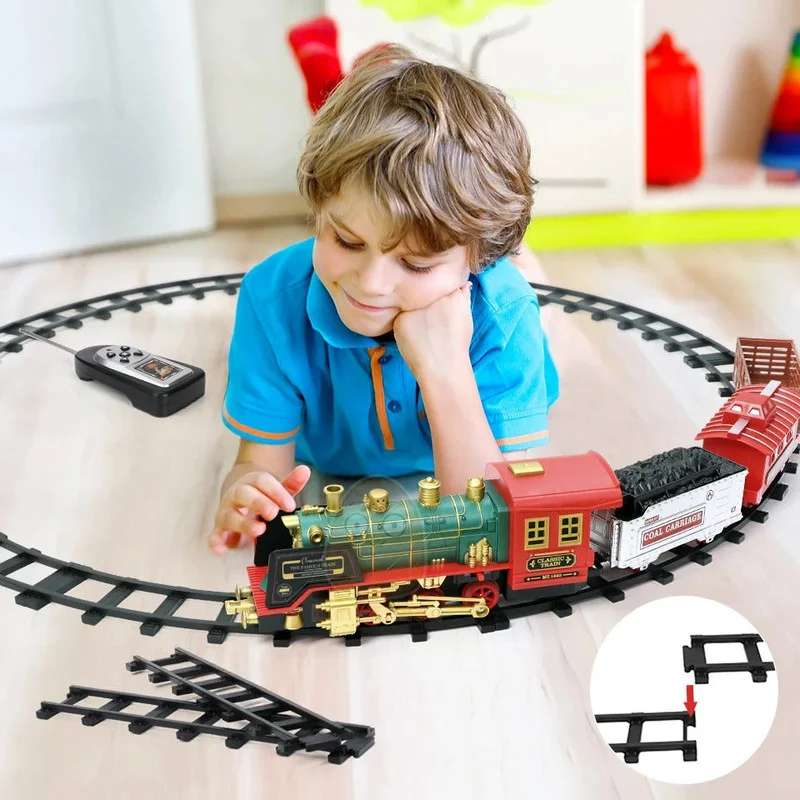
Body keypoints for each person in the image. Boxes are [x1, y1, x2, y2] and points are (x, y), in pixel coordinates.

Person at [208, 43, 559, 555]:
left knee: (540, 317)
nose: (371, 283)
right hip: (330, 453)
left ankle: (522, 261)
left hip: (490, 308)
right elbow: (258, 465)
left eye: (416, 263)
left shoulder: (505, 318)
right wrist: (245, 495)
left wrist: (445, 368)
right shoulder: (270, 299)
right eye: (347, 241)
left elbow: (491, 523)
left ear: (477, 259)